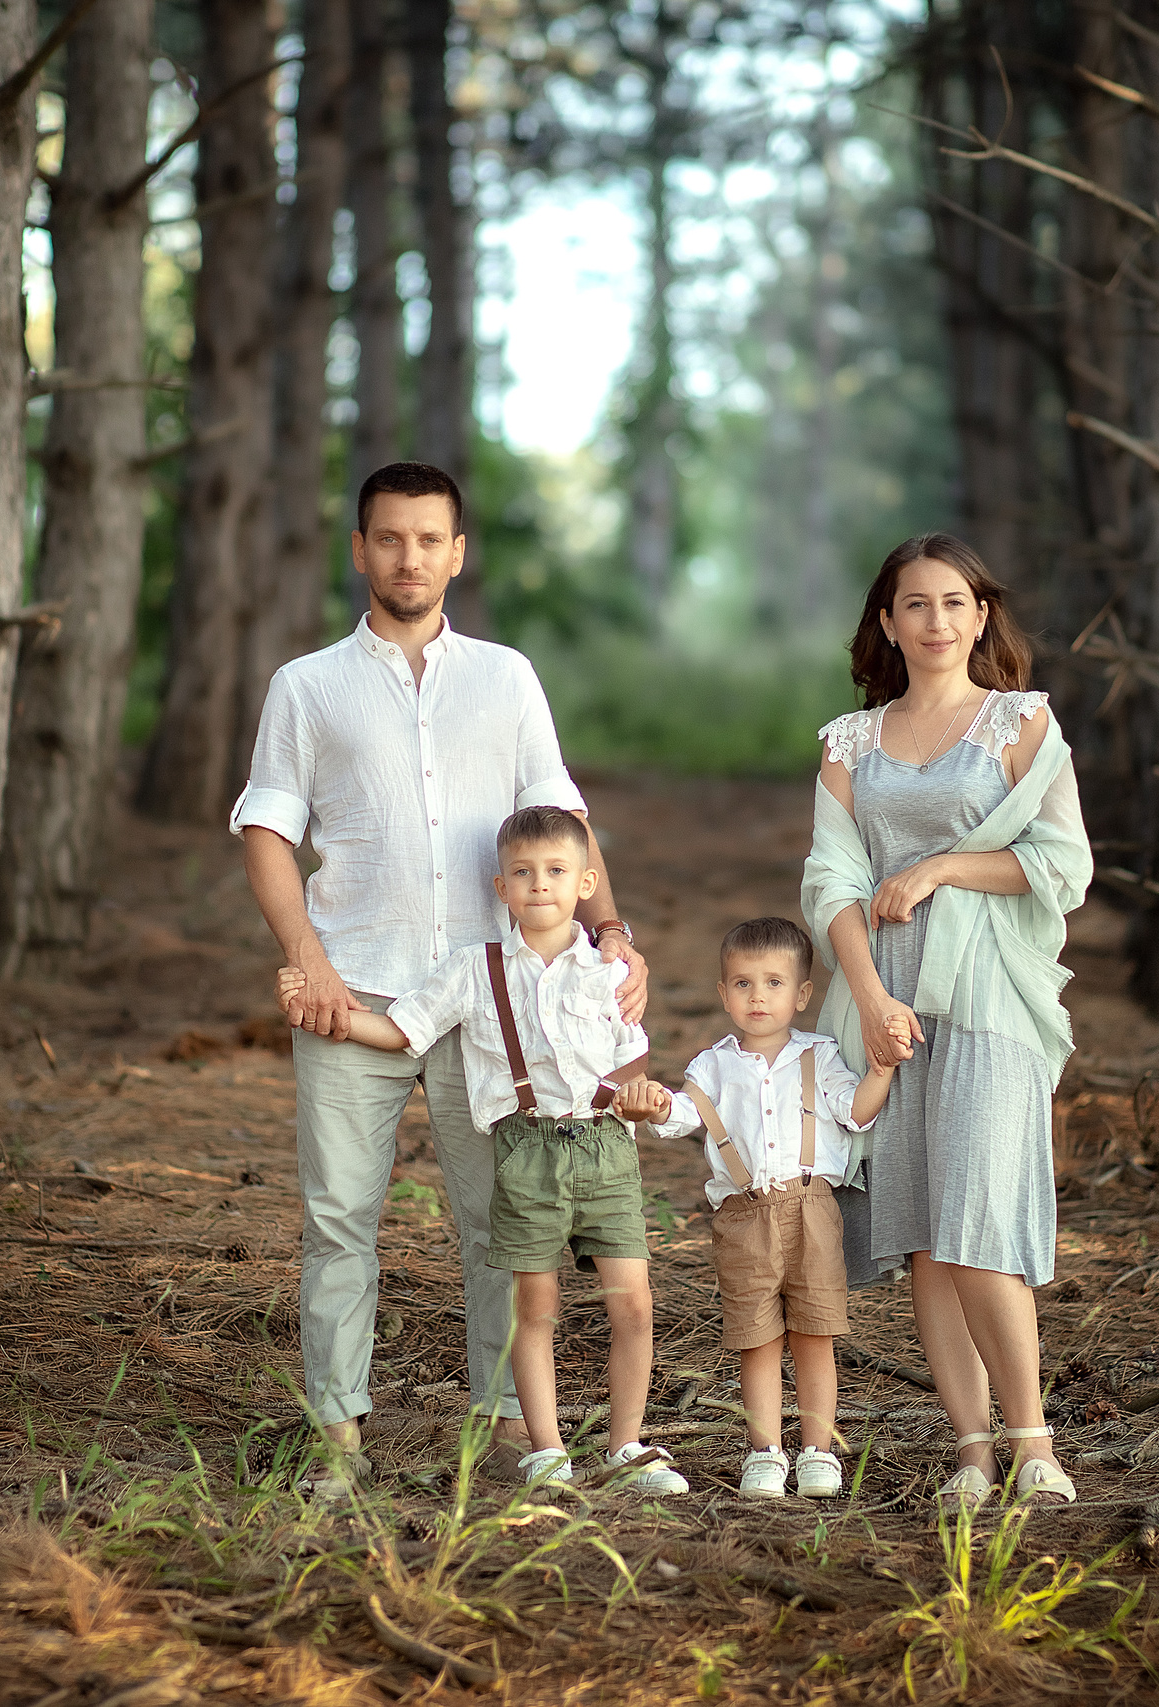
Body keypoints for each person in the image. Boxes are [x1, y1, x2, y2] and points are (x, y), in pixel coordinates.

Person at [234, 463, 651, 1493]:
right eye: (387, 538)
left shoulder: (505, 680)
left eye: (428, 539)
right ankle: (338, 1439)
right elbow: (267, 830)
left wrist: (609, 929)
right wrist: (309, 962)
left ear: (457, 553)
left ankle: (510, 1426)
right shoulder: (307, 686)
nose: (407, 557)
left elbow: (557, 813)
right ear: (359, 550)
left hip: (497, 1003)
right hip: (355, 994)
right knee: (340, 1219)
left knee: (496, 1220)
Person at [799, 533, 1093, 1510]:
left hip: (989, 1000)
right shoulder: (851, 743)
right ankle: (970, 1450)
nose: (935, 621)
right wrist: (872, 1001)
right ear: (886, 622)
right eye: (914, 605)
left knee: (973, 1217)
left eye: (954, 603)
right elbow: (830, 881)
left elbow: (1063, 866)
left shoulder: (1019, 726)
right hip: (885, 1001)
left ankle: (1034, 1443)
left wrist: (936, 868)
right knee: (922, 1228)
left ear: (980, 617)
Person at [279, 807, 686, 1493]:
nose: (540, 885)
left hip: (607, 1148)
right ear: (500, 888)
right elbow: (403, 1029)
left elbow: (629, 1064)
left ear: (586, 881)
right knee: (535, 1304)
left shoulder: (609, 973)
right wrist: (329, 1015)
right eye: (523, 873)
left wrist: (643, 1098)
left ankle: (627, 1443)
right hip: (528, 1151)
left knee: (633, 1302)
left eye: (556, 871)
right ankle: (545, 1446)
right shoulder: (475, 969)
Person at [637, 917, 908, 1500]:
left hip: (813, 1209)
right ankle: (765, 1450)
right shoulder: (712, 1066)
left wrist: (881, 1072)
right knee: (756, 1337)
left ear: (802, 994)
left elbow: (855, 1112)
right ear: (723, 993)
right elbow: (685, 1114)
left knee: (815, 1333)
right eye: (742, 984)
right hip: (743, 1216)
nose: (758, 996)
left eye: (774, 983)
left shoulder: (821, 1055)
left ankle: (818, 1448)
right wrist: (658, 1106)